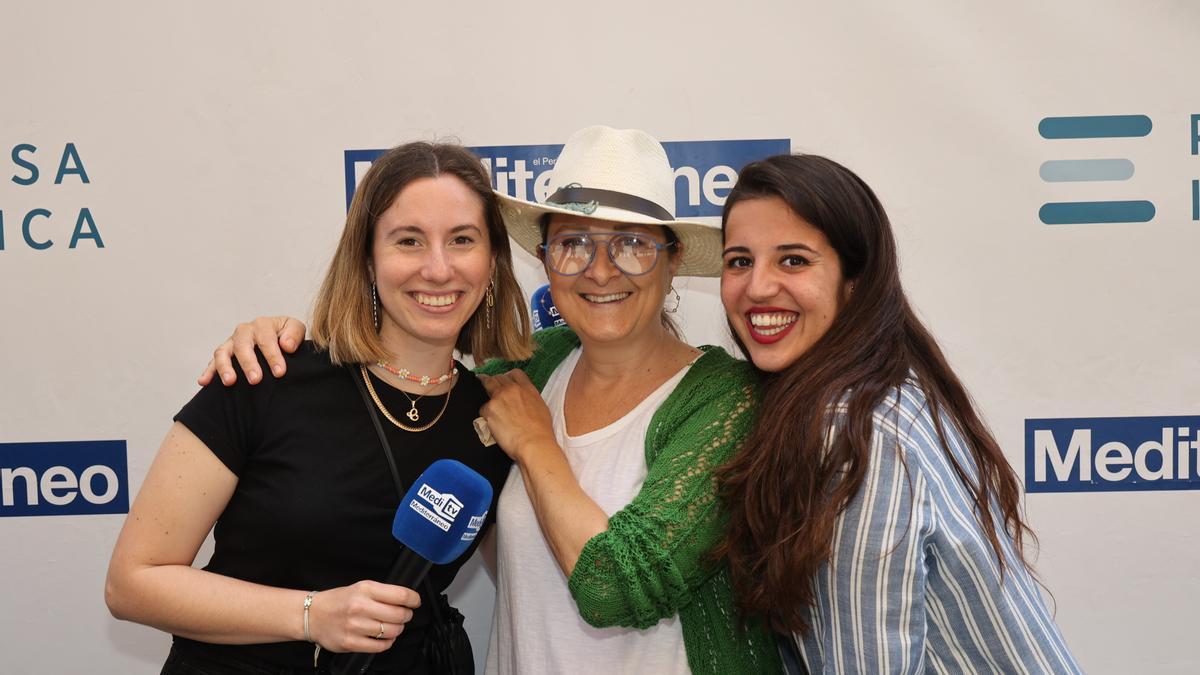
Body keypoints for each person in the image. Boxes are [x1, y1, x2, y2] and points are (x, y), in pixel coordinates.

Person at [196, 126, 783, 674]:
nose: (601, 272)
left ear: (674, 256)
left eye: (632, 244)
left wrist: (533, 443)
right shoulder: (520, 368)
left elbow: (616, 589)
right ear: (545, 260)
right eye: (573, 244)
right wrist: (283, 337)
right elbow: (401, 369)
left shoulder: (727, 398)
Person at [105, 141, 533, 674]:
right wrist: (309, 614)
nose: (438, 268)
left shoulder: (496, 421)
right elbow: (133, 582)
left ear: (492, 260)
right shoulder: (266, 375)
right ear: (367, 257)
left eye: (462, 240)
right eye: (409, 241)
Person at [715, 154, 1082, 673]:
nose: (757, 287)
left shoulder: (849, 427)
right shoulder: (877, 385)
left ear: (855, 280)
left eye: (793, 260)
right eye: (739, 261)